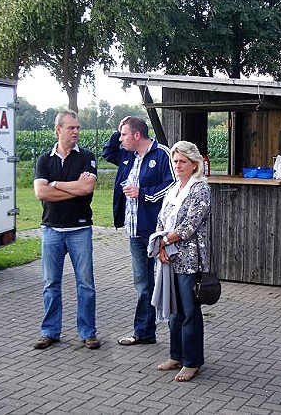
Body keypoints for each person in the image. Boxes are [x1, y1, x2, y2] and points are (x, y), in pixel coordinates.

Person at [102, 116, 175, 346]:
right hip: (134, 231)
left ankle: (178, 337)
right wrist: (119, 128)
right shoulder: (126, 155)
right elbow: (107, 151)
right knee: (143, 284)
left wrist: (143, 192)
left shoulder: (162, 154)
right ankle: (144, 333)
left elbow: (172, 185)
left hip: (157, 231)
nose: (120, 139)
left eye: (124, 134)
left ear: (137, 135)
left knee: (169, 282)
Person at [33, 110, 100, 350]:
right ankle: (50, 331)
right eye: (71, 128)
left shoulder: (87, 157)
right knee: (51, 283)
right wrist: (73, 187)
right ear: (58, 130)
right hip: (51, 230)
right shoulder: (44, 159)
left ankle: (88, 333)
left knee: (85, 284)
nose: (76, 132)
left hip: (80, 229)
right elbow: (41, 193)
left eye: (78, 128)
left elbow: (86, 189)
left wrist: (56, 184)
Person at [152, 141, 210, 382]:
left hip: (189, 259)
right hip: (168, 258)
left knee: (189, 312)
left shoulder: (200, 189)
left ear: (194, 164)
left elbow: (189, 226)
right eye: (175, 161)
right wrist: (159, 247)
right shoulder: (173, 189)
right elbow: (160, 220)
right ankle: (176, 355)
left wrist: (164, 242)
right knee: (173, 310)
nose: (178, 165)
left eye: (183, 161)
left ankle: (192, 361)